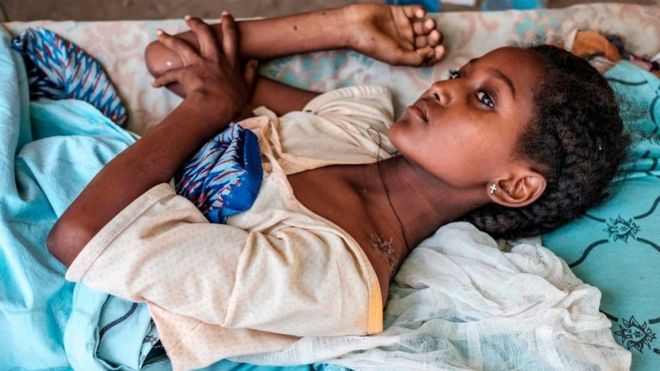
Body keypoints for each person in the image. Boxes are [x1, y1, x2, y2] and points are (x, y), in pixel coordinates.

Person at [46, 4, 629, 369]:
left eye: (484, 98)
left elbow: (76, 235)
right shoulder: (359, 126)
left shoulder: (333, 277)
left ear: (513, 185)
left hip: (61, 295)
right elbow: (173, 58)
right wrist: (344, 25)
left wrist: (211, 104)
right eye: (459, 74)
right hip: (65, 178)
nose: (444, 89)